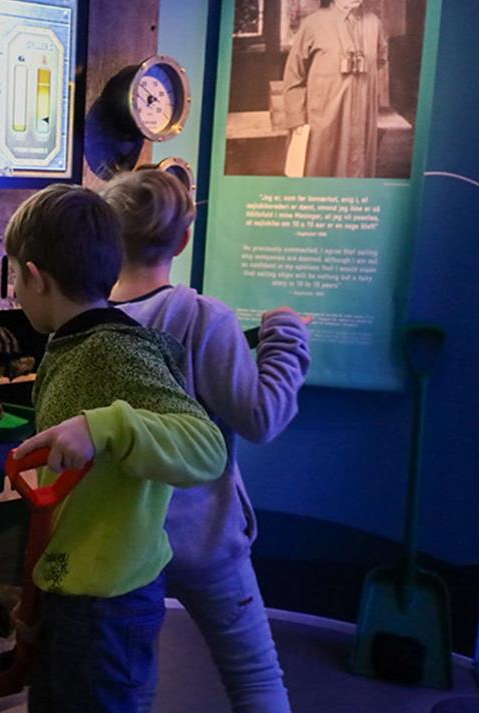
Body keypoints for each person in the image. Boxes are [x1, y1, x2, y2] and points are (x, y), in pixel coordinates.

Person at [4, 183, 228, 713]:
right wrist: (39, 592)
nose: (13, 292)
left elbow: (206, 447)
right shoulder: (75, 344)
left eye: (14, 275)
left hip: (108, 609)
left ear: (36, 277)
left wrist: (104, 425)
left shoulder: (113, 351)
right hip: (73, 592)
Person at [104, 169, 311, 713]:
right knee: (256, 679)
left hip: (124, 547)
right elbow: (262, 417)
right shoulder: (202, 318)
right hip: (207, 541)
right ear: (184, 238)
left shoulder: (87, 322)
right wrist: (285, 335)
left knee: (130, 689)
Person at [280, 0, 388, 178]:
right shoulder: (313, 24)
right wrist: (296, 118)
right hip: (323, 118)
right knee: (320, 172)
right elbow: (294, 75)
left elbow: (380, 60)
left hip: (362, 118)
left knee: (358, 175)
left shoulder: (374, 23)